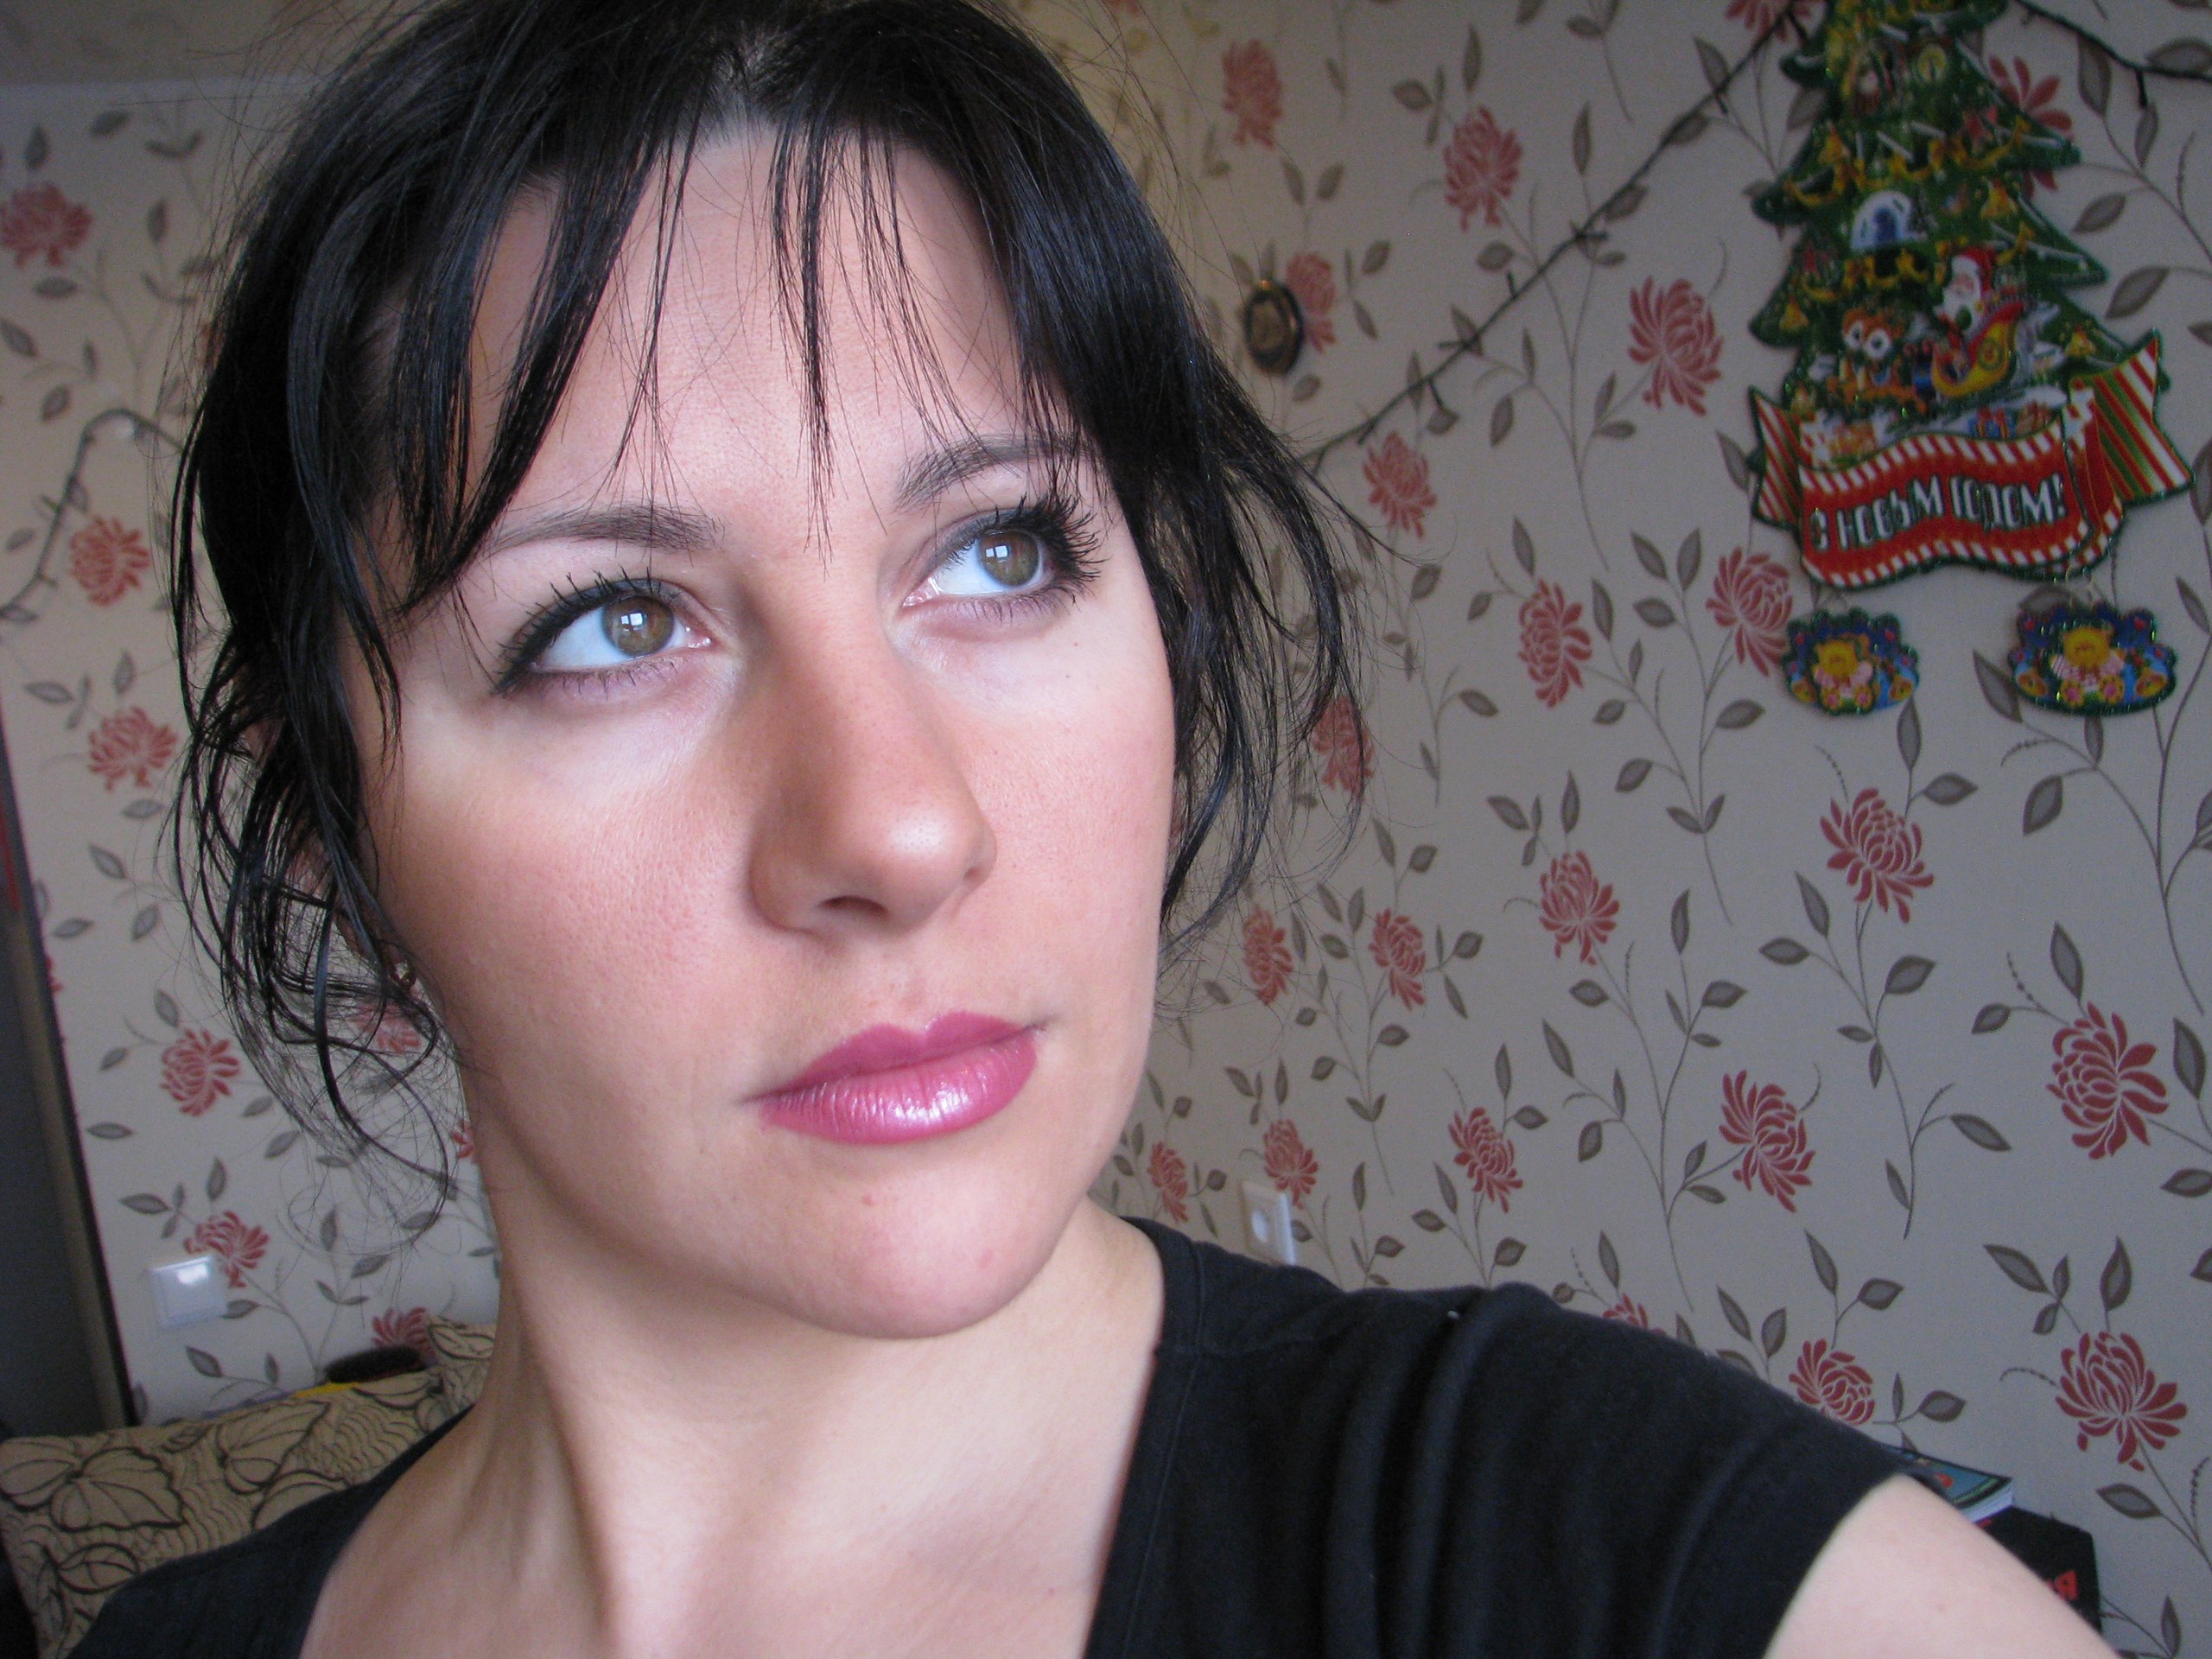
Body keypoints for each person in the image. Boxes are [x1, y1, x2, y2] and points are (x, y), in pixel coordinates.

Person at [83, 0, 2109, 1654]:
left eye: (998, 549)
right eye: (613, 624)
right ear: (330, 832)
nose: (897, 825)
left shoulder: (1580, 1545)